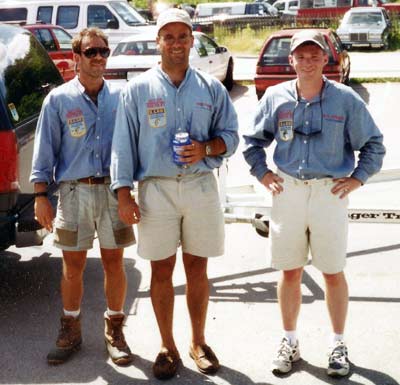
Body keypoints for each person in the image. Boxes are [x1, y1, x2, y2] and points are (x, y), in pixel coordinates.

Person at [243, 29, 385, 377]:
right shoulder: (276, 98)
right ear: (290, 60)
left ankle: (338, 344)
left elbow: (374, 144)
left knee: (332, 272)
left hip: (328, 193)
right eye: (300, 56)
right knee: (289, 270)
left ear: (326, 59)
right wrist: (263, 175)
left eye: (314, 56)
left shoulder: (346, 99)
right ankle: (289, 340)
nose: (307, 62)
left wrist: (357, 178)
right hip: (288, 191)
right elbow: (251, 141)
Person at [110, 8, 239, 380]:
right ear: (158, 42)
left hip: (200, 186)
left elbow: (231, 135)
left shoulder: (211, 88)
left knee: (198, 268)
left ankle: (198, 342)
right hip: (157, 190)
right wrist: (123, 194)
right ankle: (167, 345)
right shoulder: (137, 90)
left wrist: (207, 148)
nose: (177, 43)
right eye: (169, 36)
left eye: (183, 36)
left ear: (192, 41)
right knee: (161, 270)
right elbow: (122, 147)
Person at [30, 27, 136, 366]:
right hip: (74, 193)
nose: (99, 58)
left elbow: (133, 146)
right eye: (92, 52)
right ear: (76, 58)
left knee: (114, 262)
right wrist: (40, 195)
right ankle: (71, 329)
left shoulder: (121, 98)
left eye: (104, 51)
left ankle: (115, 330)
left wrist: (132, 191)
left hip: (112, 191)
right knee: (72, 265)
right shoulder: (59, 100)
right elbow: (44, 152)